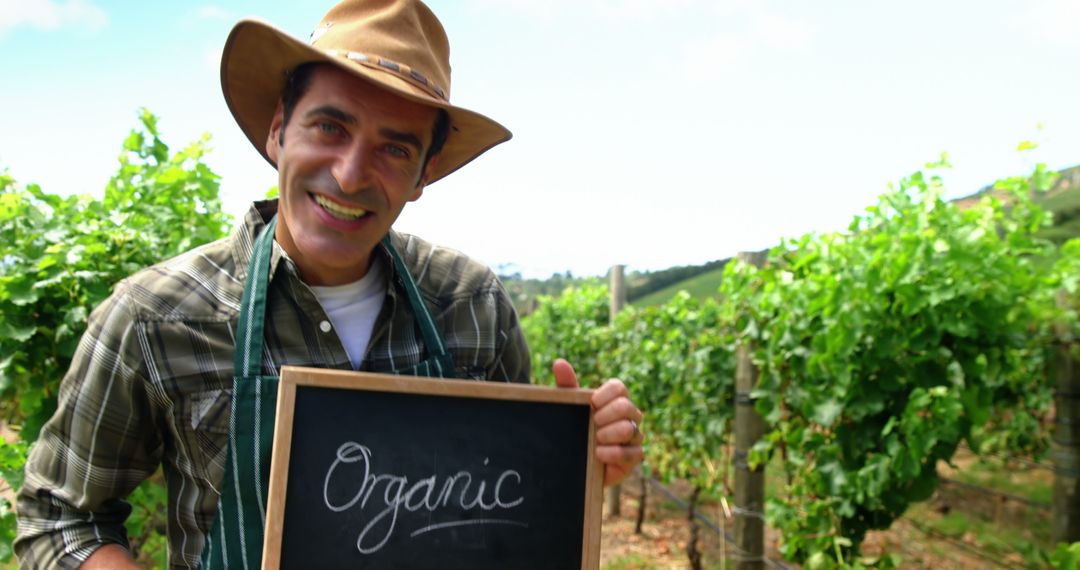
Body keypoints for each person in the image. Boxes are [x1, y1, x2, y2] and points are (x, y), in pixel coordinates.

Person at [14, 0, 645, 568]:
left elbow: (510, 512)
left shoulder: (472, 305)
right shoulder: (157, 317)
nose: (349, 175)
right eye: (330, 128)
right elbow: (60, 517)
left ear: (423, 175)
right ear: (277, 131)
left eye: (394, 150)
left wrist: (576, 469)